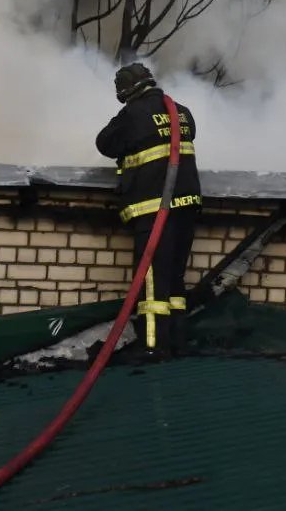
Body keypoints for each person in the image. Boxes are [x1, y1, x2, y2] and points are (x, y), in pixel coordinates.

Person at [95, 62, 202, 358]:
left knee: (153, 283)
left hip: (155, 209)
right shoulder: (182, 112)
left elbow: (105, 143)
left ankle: (153, 346)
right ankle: (177, 340)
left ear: (126, 90)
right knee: (175, 279)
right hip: (186, 207)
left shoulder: (133, 114)